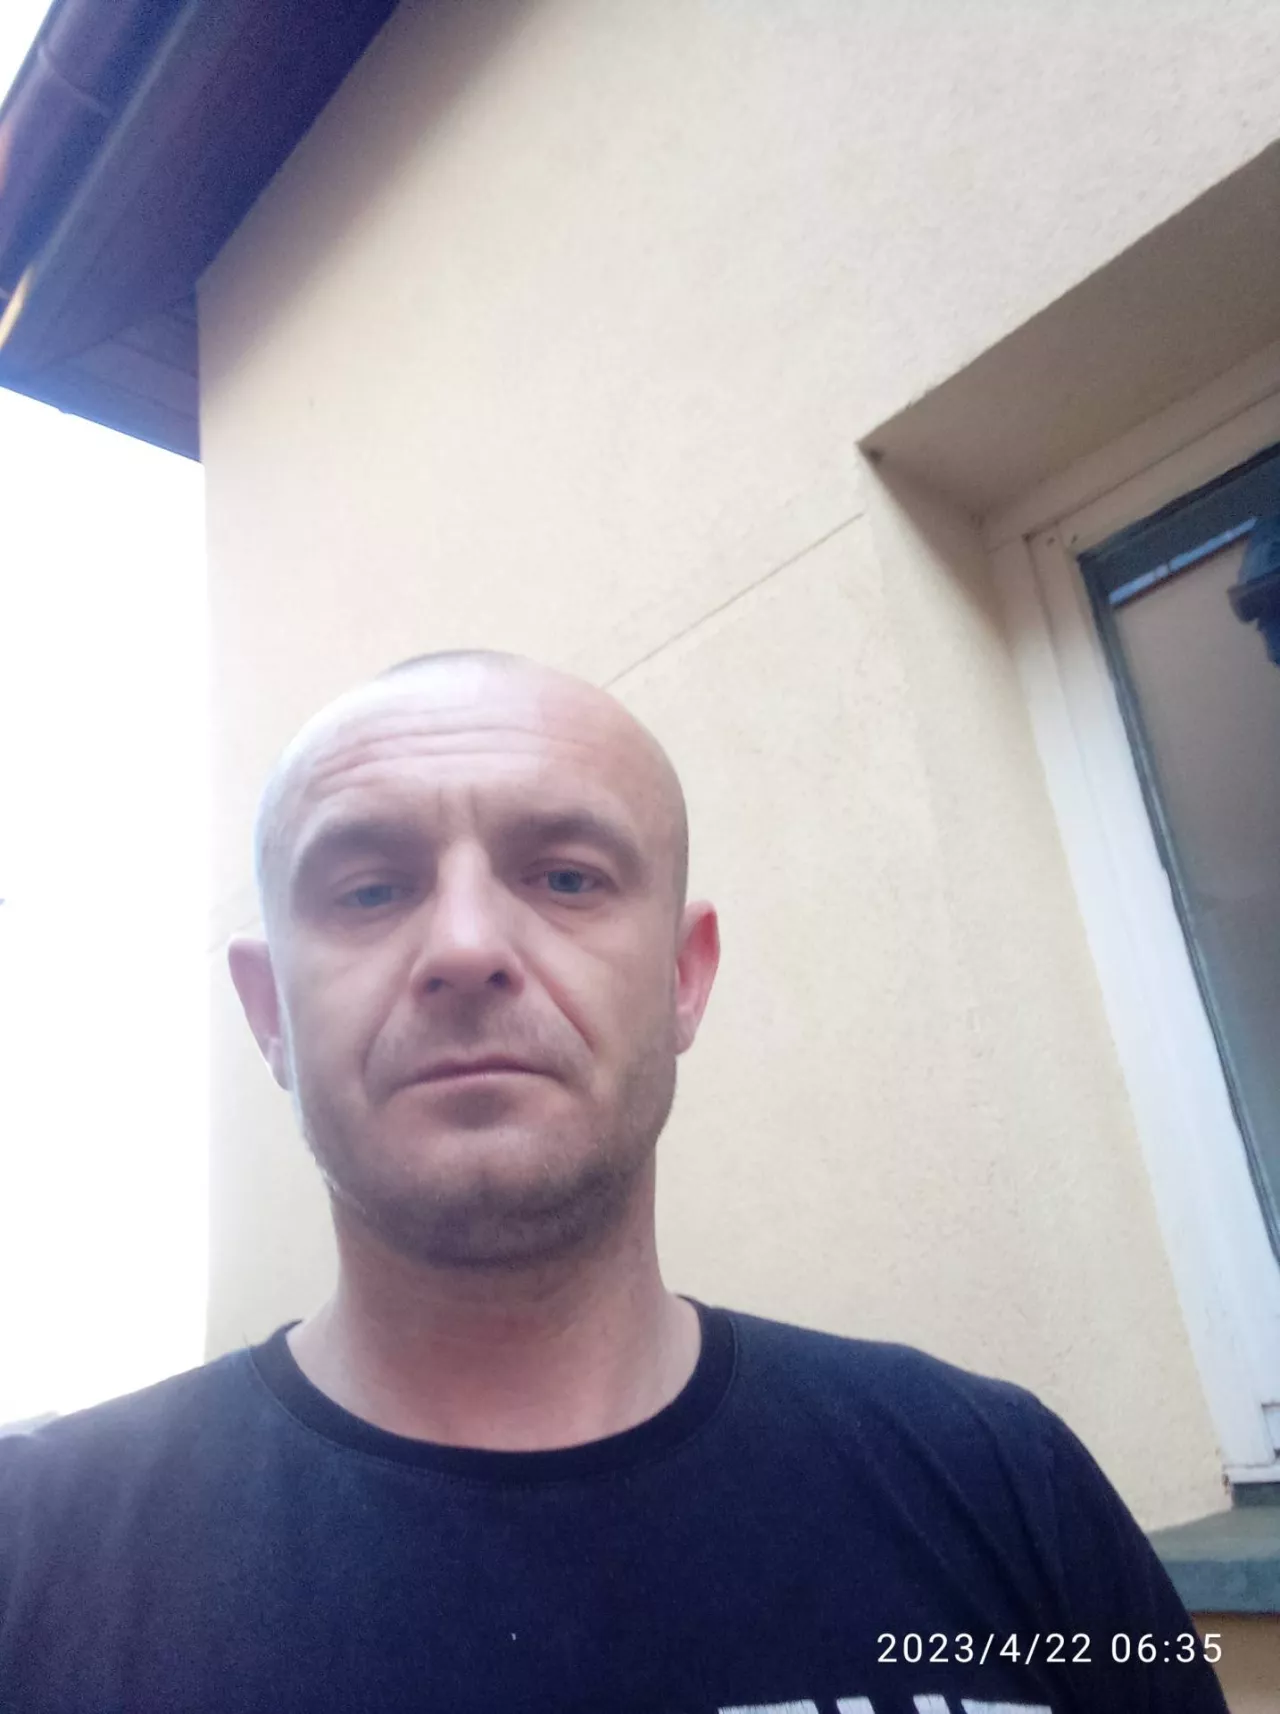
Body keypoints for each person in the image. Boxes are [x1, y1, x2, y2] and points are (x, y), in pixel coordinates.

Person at [0, 649, 1229, 1714]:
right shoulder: (32, 1557)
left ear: (683, 978)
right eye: (369, 888)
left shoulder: (1006, 1482)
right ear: (268, 1010)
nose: (466, 946)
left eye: (566, 876)